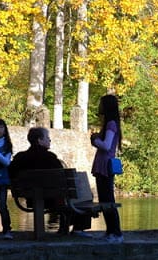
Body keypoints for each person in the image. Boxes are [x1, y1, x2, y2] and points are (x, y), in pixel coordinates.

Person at [9, 127, 91, 235]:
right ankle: (78, 228)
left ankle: (62, 227)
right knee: (82, 195)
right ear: (39, 140)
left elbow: (11, 174)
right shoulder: (50, 158)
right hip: (52, 199)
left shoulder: (19, 158)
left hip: (31, 198)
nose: (50, 140)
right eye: (47, 137)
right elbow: (63, 181)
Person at [90, 94, 123, 243]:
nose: (99, 107)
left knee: (108, 199)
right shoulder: (110, 123)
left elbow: (106, 145)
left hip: (105, 164)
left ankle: (116, 233)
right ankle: (110, 231)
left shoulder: (111, 124)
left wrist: (95, 140)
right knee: (104, 199)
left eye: (101, 104)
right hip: (102, 164)